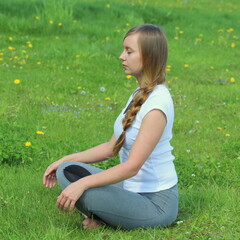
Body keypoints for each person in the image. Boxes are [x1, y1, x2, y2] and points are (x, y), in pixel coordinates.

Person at [43, 24, 178, 230]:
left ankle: (107, 221)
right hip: (131, 188)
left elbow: (132, 167)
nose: (121, 56)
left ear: (149, 56)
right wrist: (65, 159)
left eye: (129, 51)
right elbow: (110, 148)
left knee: (82, 189)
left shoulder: (157, 106)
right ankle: (111, 214)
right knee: (67, 171)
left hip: (155, 204)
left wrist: (82, 184)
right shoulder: (139, 93)